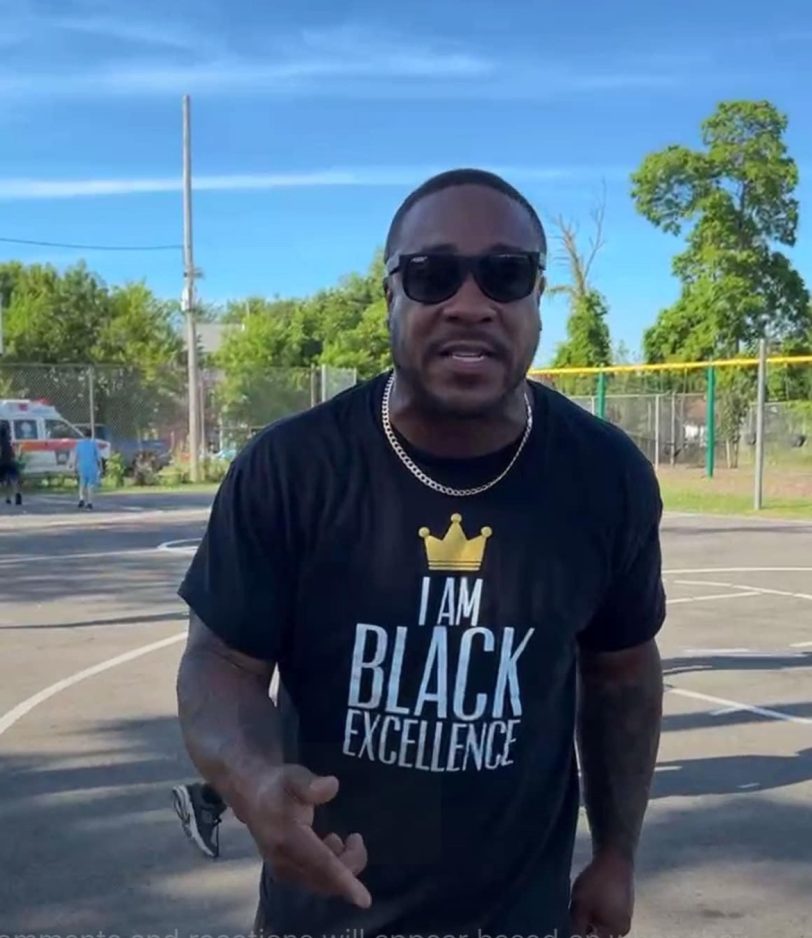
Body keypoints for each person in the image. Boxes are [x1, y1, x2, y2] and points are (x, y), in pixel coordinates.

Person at [176, 168, 666, 938]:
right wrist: (254, 780)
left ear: (538, 298)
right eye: (432, 274)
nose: (470, 303)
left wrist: (615, 855)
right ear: (390, 297)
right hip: (322, 919)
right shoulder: (293, 468)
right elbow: (220, 662)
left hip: (522, 921)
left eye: (506, 274)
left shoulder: (606, 478)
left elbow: (623, 674)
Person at [74, 428, 102, 509]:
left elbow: (76, 456)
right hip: (92, 467)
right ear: (91, 435)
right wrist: (100, 467)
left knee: (82, 483)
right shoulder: (94, 444)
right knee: (90, 485)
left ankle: (81, 499)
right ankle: (89, 502)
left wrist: (75, 466)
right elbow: (98, 457)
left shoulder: (79, 444)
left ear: (83, 435)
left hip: (82, 466)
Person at [0, 423, 22, 506]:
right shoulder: (8, 442)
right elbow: (13, 454)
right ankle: (17, 494)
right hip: (10, 462)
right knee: (13, 480)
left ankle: (8, 498)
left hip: (2, 463)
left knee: (5, 481)